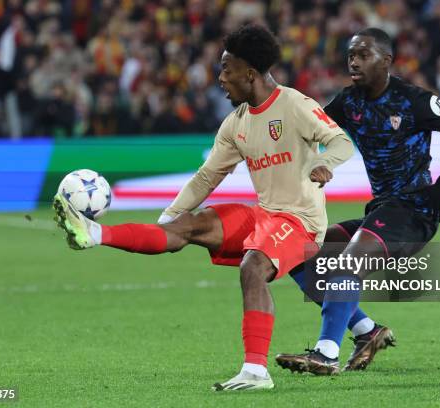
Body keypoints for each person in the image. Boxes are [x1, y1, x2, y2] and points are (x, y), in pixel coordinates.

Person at [53, 24, 354, 391]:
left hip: (301, 221)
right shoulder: (236, 124)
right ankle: (94, 233)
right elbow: (206, 177)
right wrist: (168, 221)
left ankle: (256, 372)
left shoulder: (294, 105)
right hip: (265, 215)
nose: (220, 78)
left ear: (250, 74)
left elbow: (340, 142)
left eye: (227, 70)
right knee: (190, 226)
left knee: (253, 267)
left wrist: (325, 164)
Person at [275, 27, 440, 375]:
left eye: (363, 55)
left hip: (414, 212)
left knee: (346, 265)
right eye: (351, 55)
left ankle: (326, 354)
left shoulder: (413, 99)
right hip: (382, 210)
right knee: (298, 251)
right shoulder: (347, 101)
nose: (353, 62)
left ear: (386, 61)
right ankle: (367, 331)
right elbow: (311, 135)